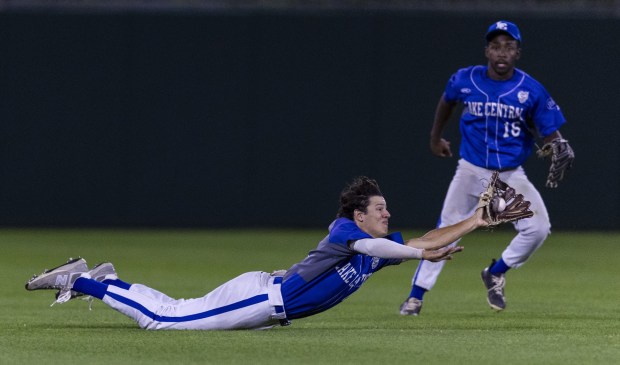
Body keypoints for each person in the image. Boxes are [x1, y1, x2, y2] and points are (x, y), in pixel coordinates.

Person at [27, 176, 491, 330]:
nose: (387, 214)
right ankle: (83, 280)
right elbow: (384, 246)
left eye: (387, 208)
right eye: (380, 208)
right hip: (265, 299)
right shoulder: (346, 230)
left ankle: (107, 280)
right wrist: (418, 258)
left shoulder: (377, 244)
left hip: (267, 298)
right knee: (165, 321)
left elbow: (422, 240)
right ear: (358, 213)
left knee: (177, 311)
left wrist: (476, 220)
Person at [399, 20, 573, 316]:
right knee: (445, 229)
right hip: (471, 168)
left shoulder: (530, 89)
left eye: (508, 47)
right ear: (486, 51)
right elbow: (447, 101)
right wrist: (435, 137)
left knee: (539, 227)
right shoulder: (466, 79)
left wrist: (559, 142)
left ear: (518, 52)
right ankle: (415, 297)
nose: (501, 53)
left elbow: (549, 130)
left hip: (510, 174)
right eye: (495, 47)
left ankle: (496, 271)